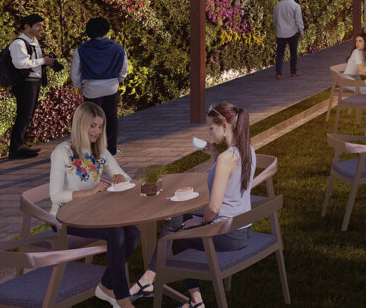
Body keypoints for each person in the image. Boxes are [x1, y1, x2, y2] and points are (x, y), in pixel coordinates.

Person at [131, 102, 257, 306]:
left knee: (175, 229)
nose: (208, 132)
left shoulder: (227, 158)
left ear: (224, 126)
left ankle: (152, 281)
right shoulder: (247, 150)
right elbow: (231, 182)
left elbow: (214, 208)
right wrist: (214, 155)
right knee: (178, 224)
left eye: (211, 127)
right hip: (242, 230)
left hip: (227, 234)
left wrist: (200, 223)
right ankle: (184, 295)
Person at [49, 102, 138, 307]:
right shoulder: (61, 152)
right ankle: (122, 297)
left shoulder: (100, 151)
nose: (97, 131)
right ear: (80, 125)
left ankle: (106, 286)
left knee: (132, 232)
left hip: (92, 215)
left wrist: (120, 178)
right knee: (116, 232)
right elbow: (55, 196)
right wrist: (89, 192)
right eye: (92, 126)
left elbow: (123, 175)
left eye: (100, 126)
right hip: (63, 217)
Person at [71, 17, 128, 156]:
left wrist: (79, 85)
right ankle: (111, 150)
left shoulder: (81, 50)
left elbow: (75, 72)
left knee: (92, 121)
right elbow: (124, 69)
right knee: (111, 118)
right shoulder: (117, 48)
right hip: (111, 87)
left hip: (91, 89)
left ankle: (93, 151)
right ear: (106, 30)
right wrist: (118, 80)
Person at [7, 14, 56, 159]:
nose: (41, 28)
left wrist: (45, 61)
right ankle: (16, 148)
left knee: (28, 114)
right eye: (38, 26)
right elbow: (20, 63)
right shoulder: (19, 44)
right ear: (27, 26)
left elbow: (34, 61)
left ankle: (20, 145)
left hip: (34, 82)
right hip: (25, 83)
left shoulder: (34, 41)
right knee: (24, 114)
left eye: (42, 25)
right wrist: (42, 60)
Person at [273, 0, 304, 80]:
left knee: (280, 53)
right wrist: (301, 32)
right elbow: (298, 21)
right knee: (293, 53)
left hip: (280, 32)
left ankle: (278, 73)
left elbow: (274, 20)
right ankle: (293, 72)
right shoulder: (296, 6)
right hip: (292, 32)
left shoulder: (278, 5)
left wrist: (276, 28)